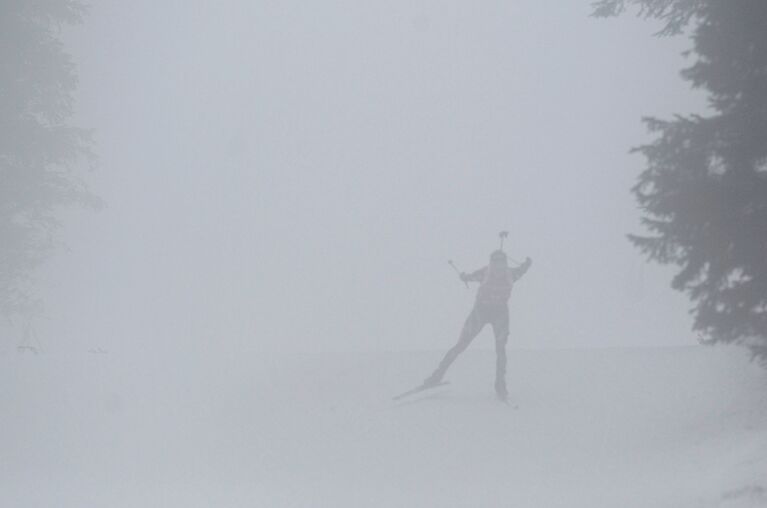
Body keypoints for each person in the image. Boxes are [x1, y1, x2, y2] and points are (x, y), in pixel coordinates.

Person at [423, 250, 532, 401]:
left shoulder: (500, 273)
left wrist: (527, 264)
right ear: (492, 263)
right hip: (482, 311)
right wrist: (527, 264)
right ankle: (437, 376)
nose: (498, 268)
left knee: (499, 350)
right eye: (496, 263)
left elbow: (521, 270)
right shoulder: (498, 273)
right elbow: (521, 271)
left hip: (496, 313)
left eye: (500, 264)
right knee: (462, 345)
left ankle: (500, 384)